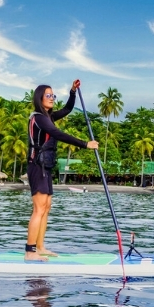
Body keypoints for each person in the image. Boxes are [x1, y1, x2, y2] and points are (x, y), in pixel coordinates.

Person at [26, 80, 98, 261]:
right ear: (39, 98)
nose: (52, 98)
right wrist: (85, 144)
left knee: (46, 207)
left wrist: (73, 92)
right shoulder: (39, 118)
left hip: (46, 166)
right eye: (48, 95)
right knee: (38, 209)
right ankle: (30, 251)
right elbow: (58, 134)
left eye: (53, 95)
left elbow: (67, 109)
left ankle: (40, 247)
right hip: (37, 166)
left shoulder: (47, 117)